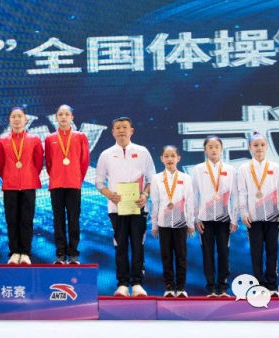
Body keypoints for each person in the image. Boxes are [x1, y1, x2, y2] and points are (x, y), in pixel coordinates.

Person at [95, 117, 155, 297]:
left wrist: (145, 195)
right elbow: (99, 182)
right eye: (118, 128)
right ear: (112, 132)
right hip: (116, 209)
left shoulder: (142, 152)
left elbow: (152, 179)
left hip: (138, 207)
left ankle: (137, 284)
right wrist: (110, 195)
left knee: (138, 245)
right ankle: (122, 284)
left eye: (125, 127)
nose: (121, 130)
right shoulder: (106, 154)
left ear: (131, 131)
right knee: (120, 245)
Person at [237, 133, 279, 294]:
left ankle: (271, 285)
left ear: (266, 146)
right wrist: (243, 212)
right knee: (256, 252)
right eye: (255, 145)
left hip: (273, 216)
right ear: (249, 147)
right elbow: (242, 192)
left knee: (272, 251)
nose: (259, 148)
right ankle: (258, 284)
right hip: (253, 217)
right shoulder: (244, 169)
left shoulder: (276, 168)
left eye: (262, 145)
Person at [0, 107, 43, 265]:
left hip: (29, 184)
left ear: (25, 119)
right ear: (9, 119)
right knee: (12, 220)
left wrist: (29, 174)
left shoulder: (34, 139)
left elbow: (38, 162)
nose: (16, 119)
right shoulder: (3, 140)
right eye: (13, 116)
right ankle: (14, 252)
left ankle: (26, 253)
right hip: (10, 185)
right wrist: (9, 176)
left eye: (19, 116)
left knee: (27, 220)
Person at [190, 136, 237, 297]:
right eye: (210, 147)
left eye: (217, 146)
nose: (214, 149)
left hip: (224, 218)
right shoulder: (198, 169)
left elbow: (235, 195)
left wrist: (234, 218)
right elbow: (193, 195)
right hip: (205, 218)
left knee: (224, 253)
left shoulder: (230, 169)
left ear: (221, 149)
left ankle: (223, 288)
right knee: (207, 253)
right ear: (205, 150)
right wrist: (196, 218)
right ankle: (210, 288)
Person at [44, 105, 90, 265]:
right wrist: (56, 176)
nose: (63, 117)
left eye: (67, 114)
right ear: (56, 117)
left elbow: (84, 161)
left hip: (73, 184)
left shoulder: (80, 137)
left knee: (73, 219)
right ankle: (60, 254)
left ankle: (73, 254)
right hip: (56, 184)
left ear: (72, 118)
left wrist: (77, 178)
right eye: (60, 114)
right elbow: (49, 163)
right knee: (58, 220)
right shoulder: (50, 138)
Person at [150, 146, 196, 298]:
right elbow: (155, 203)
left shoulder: (186, 178)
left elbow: (190, 202)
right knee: (166, 256)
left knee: (181, 256)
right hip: (163, 223)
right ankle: (169, 287)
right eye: (166, 156)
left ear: (178, 158)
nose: (170, 159)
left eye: (172, 156)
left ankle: (181, 288)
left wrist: (190, 224)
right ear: (161, 159)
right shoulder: (156, 179)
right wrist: (154, 225)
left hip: (180, 222)